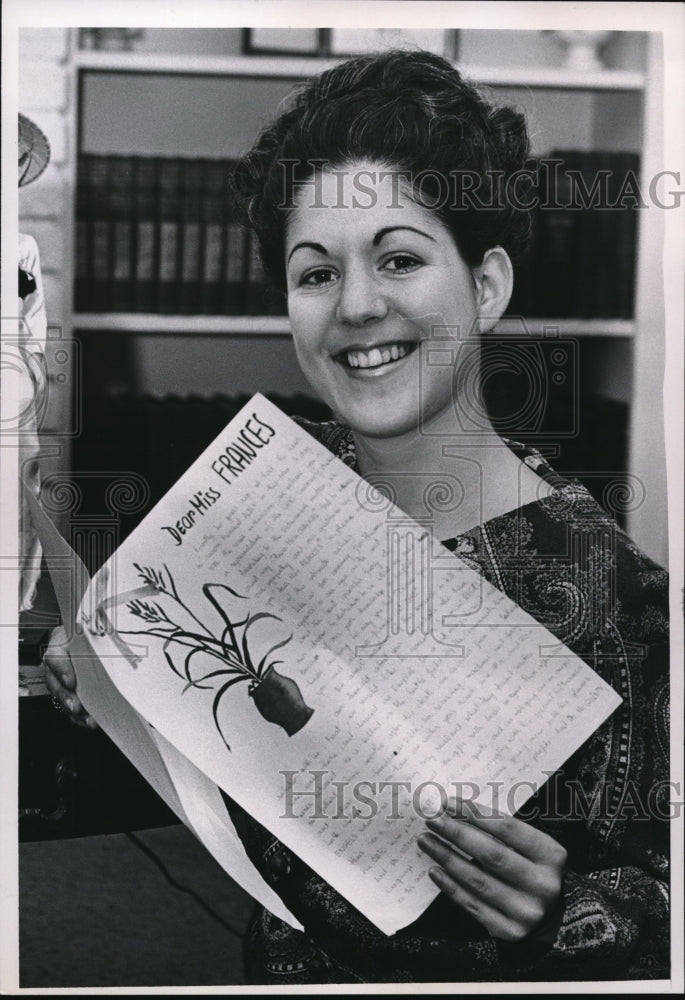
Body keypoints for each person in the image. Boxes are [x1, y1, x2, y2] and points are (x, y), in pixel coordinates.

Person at [45, 49, 670, 984]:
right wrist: (102, 670)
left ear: (487, 284)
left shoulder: (619, 596)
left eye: (400, 258)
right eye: (314, 274)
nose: (358, 307)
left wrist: (567, 908)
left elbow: (658, 894)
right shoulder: (262, 495)